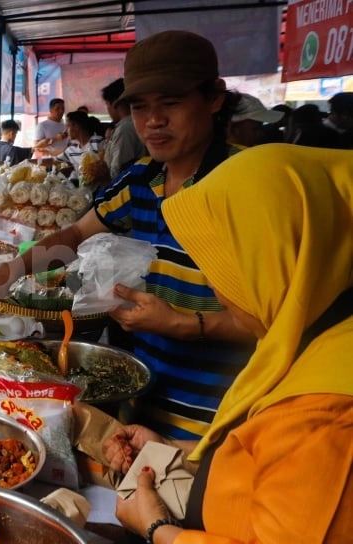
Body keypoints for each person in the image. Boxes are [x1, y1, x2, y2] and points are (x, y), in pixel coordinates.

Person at [0, 30, 256, 441]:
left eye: (171, 103)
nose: (153, 120)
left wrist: (183, 324)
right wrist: (4, 275)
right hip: (145, 399)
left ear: (215, 98)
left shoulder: (251, 185)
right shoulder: (142, 178)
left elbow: (287, 322)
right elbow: (77, 232)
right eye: (139, 106)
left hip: (227, 415)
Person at [108, 144, 353, 543]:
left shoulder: (327, 416)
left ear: (278, 262)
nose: (219, 295)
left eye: (224, 272)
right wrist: (175, 447)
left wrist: (158, 530)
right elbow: (266, 461)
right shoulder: (315, 336)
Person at [102, 78, 145, 179]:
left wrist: (102, 172)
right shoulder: (131, 124)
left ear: (114, 103)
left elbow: (118, 172)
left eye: (107, 104)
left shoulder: (124, 129)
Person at [52, 111, 105, 183]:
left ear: (76, 126)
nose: (66, 131)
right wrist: (33, 163)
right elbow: (54, 161)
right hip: (83, 188)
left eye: (68, 127)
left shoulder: (97, 142)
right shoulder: (71, 149)